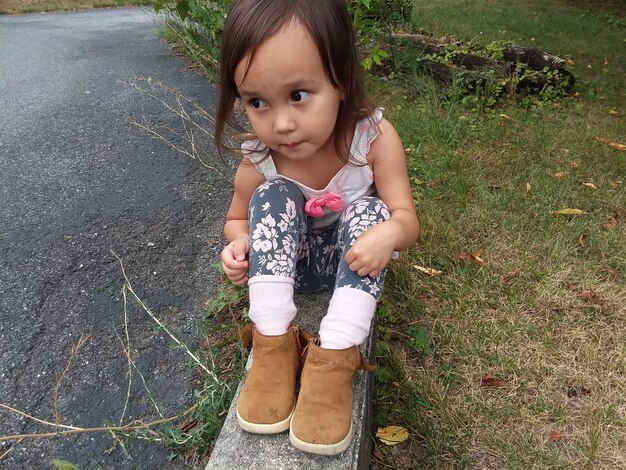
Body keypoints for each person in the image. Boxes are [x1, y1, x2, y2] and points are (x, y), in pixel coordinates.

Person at [216, 0, 419, 456]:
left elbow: (406, 218)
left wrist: (389, 233)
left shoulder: (373, 140)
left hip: (354, 269)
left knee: (372, 213)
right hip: (290, 271)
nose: (282, 123)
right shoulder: (261, 159)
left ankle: (335, 359)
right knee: (271, 196)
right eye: (257, 102)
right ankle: (271, 346)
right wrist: (241, 244)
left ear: (342, 79)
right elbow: (234, 219)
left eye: (299, 95)